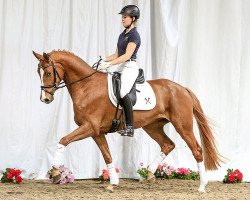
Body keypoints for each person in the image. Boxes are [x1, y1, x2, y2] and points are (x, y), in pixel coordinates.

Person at [99, 5, 141, 137]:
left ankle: (130, 127)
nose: (123, 19)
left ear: (133, 18)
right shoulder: (122, 35)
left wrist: (109, 64)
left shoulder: (134, 35)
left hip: (130, 67)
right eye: (122, 17)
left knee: (123, 92)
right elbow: (117, 54)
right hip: (121, 66)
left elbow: (127, 55)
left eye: (125, 17)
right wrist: (104, 59)